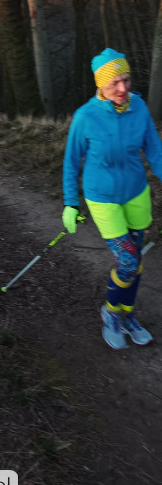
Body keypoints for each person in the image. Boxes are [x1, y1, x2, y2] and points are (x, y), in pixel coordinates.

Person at [62, 47, 162, 350]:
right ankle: (111, 313)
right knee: (128, 262)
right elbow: (71, 162)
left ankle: (128, 314)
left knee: (136, 262)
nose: (122, 89)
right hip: (102, 198)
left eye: (126, 80)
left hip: (135, 193)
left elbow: (155, 152)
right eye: (114, 83)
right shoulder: (85, 117)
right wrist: (71, 203)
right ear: (100, 85)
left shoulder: (139, 108)